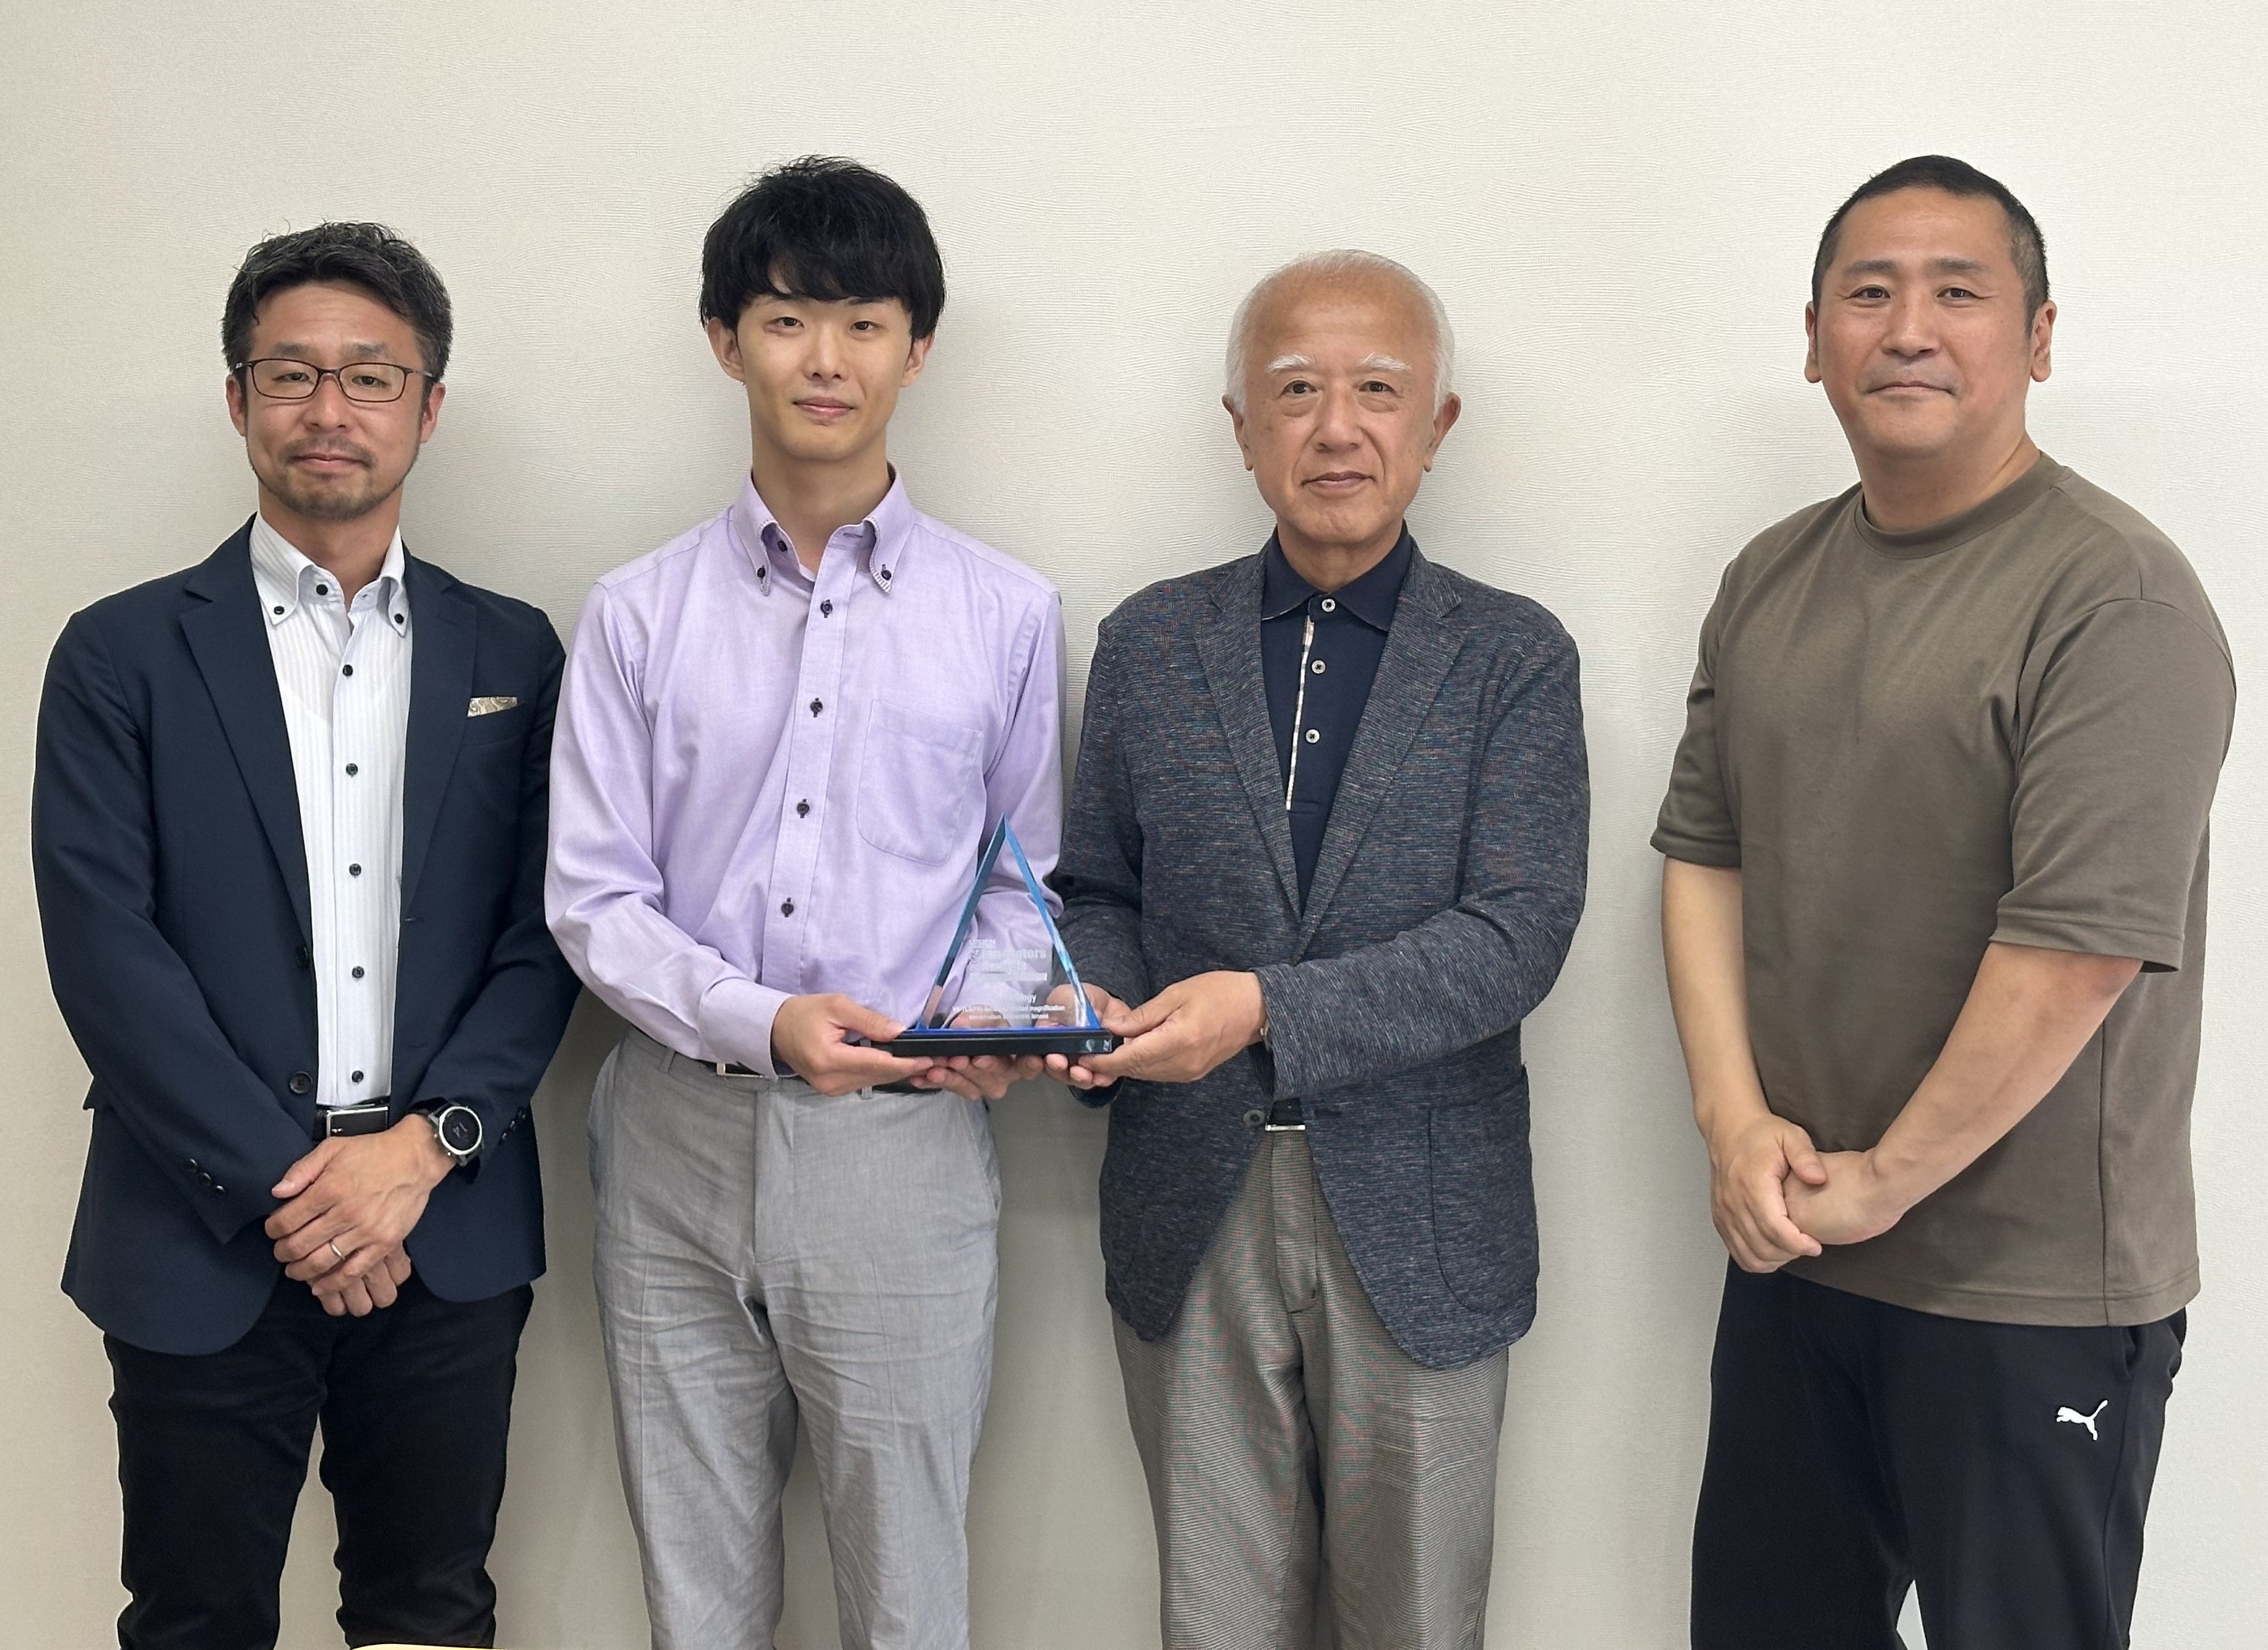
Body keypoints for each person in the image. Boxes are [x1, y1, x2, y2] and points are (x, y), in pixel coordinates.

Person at [1655, 155, 2237, 1650]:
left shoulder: (2116, 595)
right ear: (1814, 340)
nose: (1908, 328)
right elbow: (1707, 855)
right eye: (1870, 293)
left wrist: (1888, 1182)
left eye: (1958, 293)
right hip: (1798, 1246)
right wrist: (1735, 1127)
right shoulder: (1768, 578)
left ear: (2037, 338)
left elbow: (2079, 949)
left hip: (2027, 1289)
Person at [31, 222, 581, 1650]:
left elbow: (547, 931)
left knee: (431, 1614)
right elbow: (104, 951)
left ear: (428, 407)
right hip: (198, 1225)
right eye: (292, 374)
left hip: (444, 1224)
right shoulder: (119, 653)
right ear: (238, 399)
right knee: (194, 1619)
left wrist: (421, 1151)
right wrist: (306, 1196)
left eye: (371, 376)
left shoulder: (515, 651)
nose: (330, 409)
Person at [545, 156, 1066, 1650]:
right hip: (674, 1131)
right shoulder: (635, 612)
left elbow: (1022, 883)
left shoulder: (1008, 612)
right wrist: (763, 1020)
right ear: (726, 342)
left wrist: (979, 1028)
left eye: (864, 322)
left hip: (903, 1140)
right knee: (696, 1590)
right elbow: (593, 895)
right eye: (785, 319)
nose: (825, 359)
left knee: (907, 1587)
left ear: (918, 348)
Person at [1049, 250, 1589, 1649]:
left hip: (1423, 1212)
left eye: (1377, 391)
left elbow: (1515, 937)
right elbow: (1099, 884)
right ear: (1241, 424)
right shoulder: (1151, 642)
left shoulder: (1514, 658)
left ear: (1437, 423)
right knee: (1216, 1621)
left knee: (1416, 1620)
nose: (1336, 427)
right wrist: (1093, 989)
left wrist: (1264, 1009)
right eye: (1295, 391)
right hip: (1189, 1198)